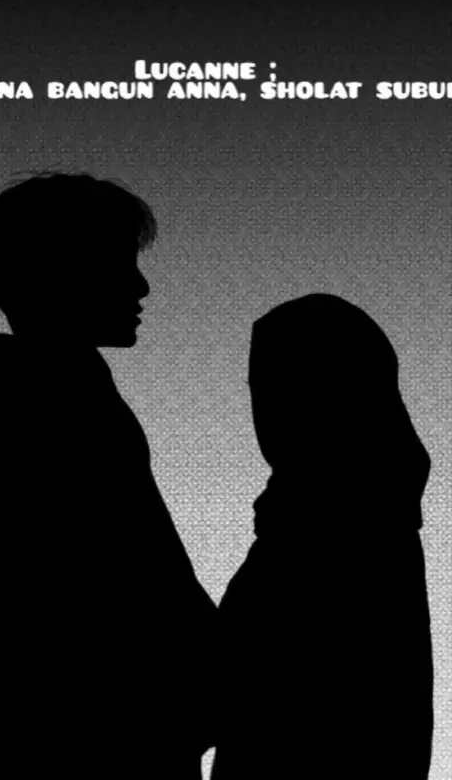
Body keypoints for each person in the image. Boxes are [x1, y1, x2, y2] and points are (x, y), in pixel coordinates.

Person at [0, 172, 215, 778]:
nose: (141, 286)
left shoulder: (69, 388)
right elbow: (126, 574)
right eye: (117, 263)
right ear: (58, 272)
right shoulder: (43, 402)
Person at [211, 293, 434, 779]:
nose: (263, 408)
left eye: (274, 386)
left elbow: (237, 683)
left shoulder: (321, 531)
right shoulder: (372, 513)